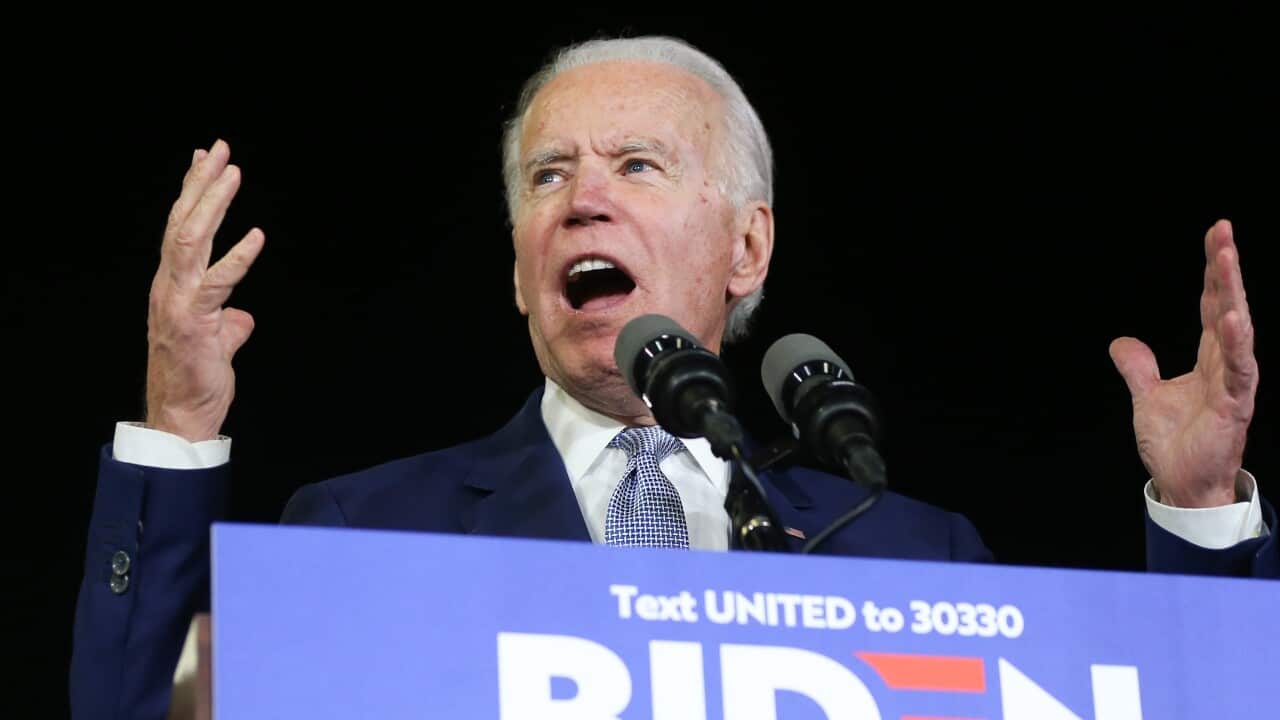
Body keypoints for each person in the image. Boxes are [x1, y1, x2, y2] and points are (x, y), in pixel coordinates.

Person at [70, 36, 1275, 719]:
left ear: (745, 247)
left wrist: (1203, 514)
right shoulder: (367, 533)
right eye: (545, 178)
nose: (579, 197)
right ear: (513, 267)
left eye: (634, 163)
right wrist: (176, 427)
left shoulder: (914, 555)